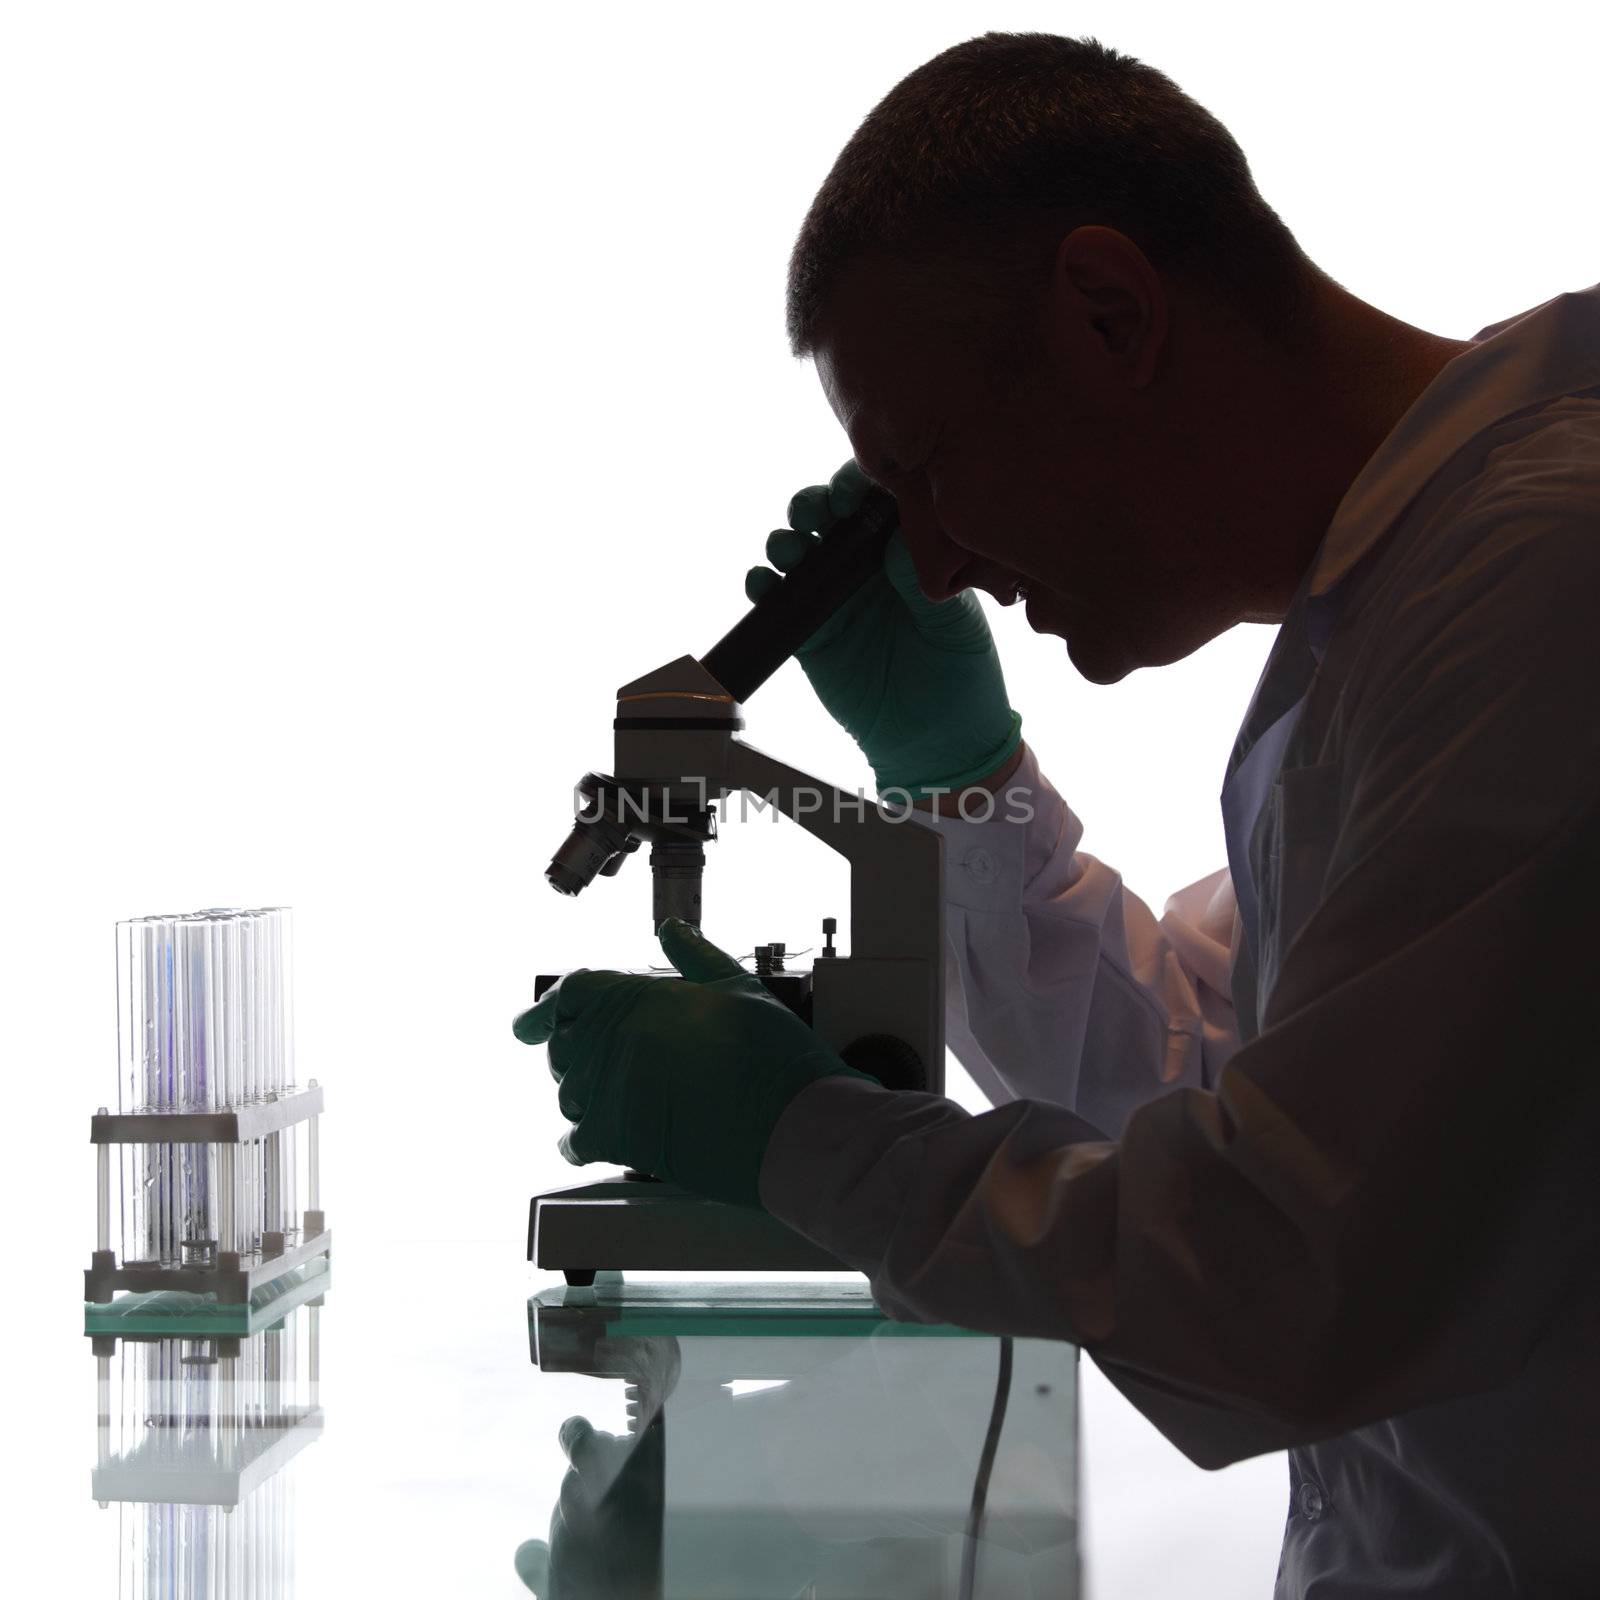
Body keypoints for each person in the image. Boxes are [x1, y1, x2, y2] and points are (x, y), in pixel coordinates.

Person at [515, 33, 1600, 1597]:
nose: (942, 564)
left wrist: (801, 1135)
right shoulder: (1407, 608)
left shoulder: (1546, 581)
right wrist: (958, 775)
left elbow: (1275, 1279)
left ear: (1111, 313)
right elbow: (1200, 1086)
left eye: (933, 471)